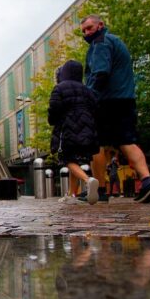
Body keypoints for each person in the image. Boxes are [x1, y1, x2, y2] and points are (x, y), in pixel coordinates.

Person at [81, 15, 150, 203]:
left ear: (101, 25)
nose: (86, 33)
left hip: (107, 101)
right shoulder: (116, 41)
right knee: (127, 141)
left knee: (96, 145)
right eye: (83, 30)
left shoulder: (101, 42)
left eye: (89, 28)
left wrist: (89, 96)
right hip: (126, 99)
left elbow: (100, 72)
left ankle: (99, 190)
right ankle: (148, 181)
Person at [47, 59, 100, 203]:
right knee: (75, 160)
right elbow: (96, 108)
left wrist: (52, 121)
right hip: (88, 129)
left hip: (68, 128)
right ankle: (71, 194)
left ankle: (88, 181)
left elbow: (54, 109)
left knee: (67, 158)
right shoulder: (87, 90)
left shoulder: (60, 88)